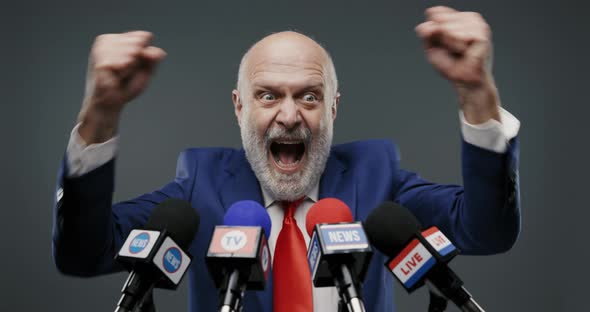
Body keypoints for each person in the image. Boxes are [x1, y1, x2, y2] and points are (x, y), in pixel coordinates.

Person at [52, 6, 521, 312]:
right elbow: (83, 253)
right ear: (240, 107)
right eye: (269, 95)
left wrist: (476, 93)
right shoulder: (201, 182)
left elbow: (486, 230)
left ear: (333, 108)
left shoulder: (376, 172)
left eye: (310, 97)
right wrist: (100, 114)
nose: (290, 116)